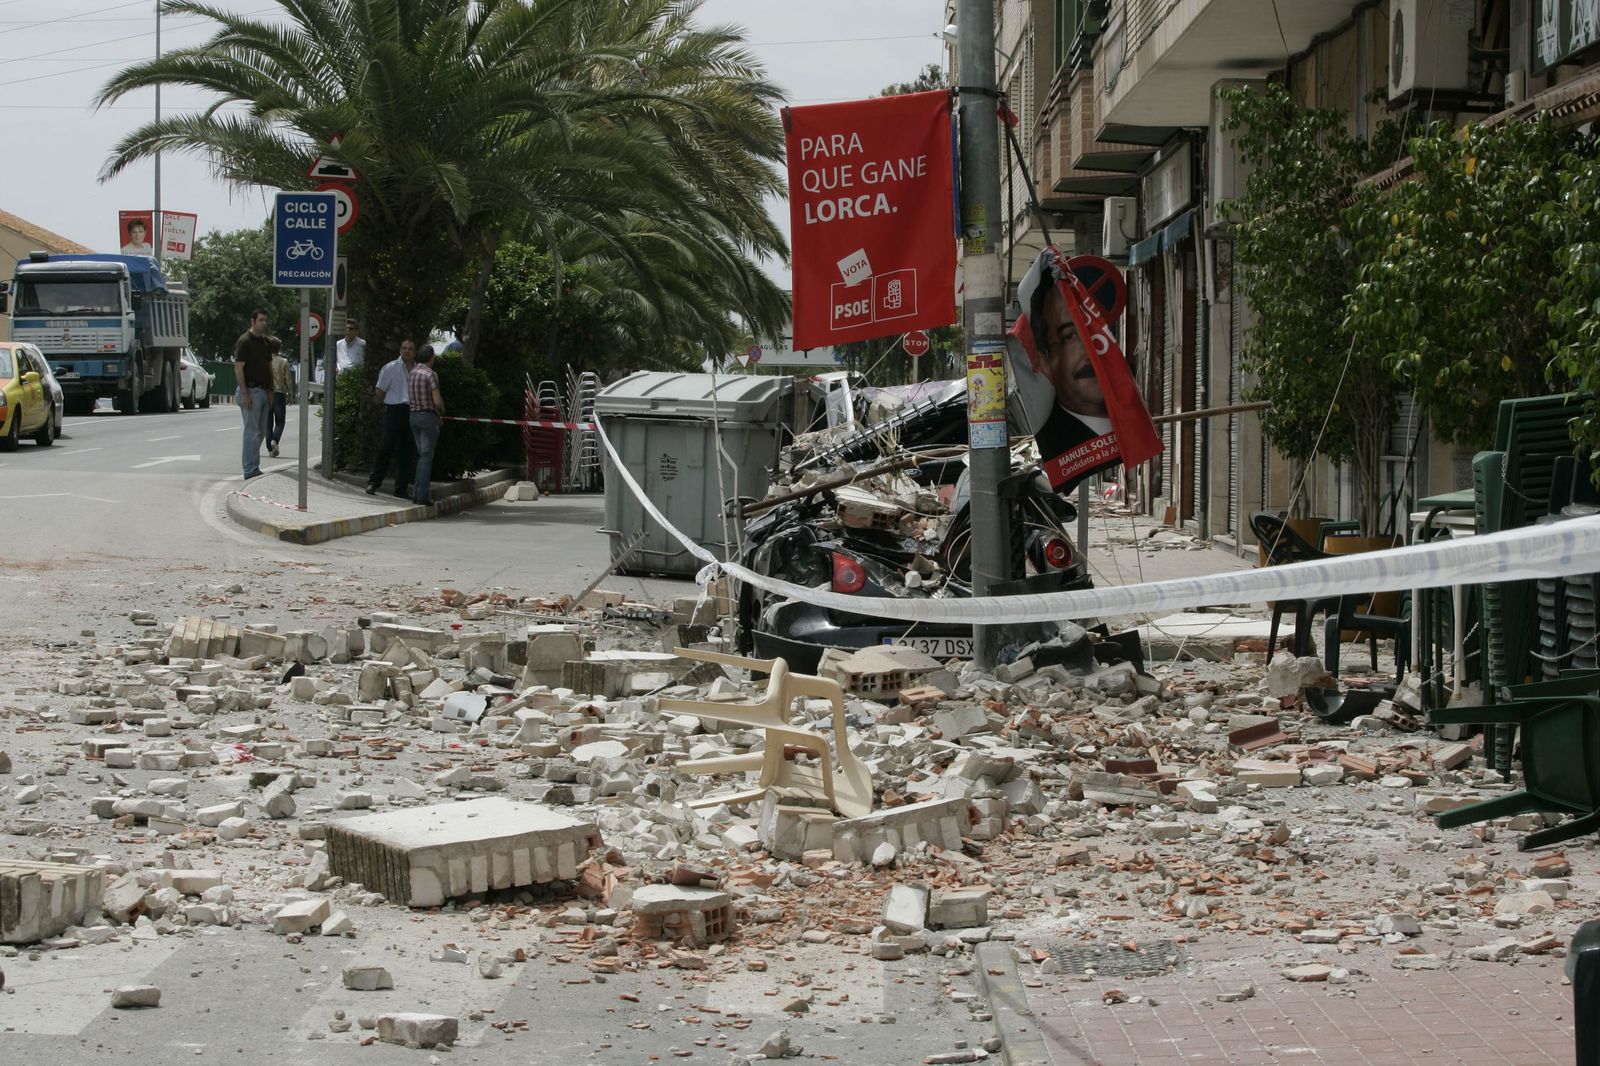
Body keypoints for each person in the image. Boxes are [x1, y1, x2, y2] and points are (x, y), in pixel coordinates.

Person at [1029, 271, 1113, 461]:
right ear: (1045, 364)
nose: (1091, 351)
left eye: (1094, 329)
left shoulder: (1133, 420)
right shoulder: (1058, 441)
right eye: (1069, 336)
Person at [366, 339, 417, 497]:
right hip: (394, 410)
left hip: (411, 411)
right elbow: (380, 391)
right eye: (404, 348)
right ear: (400, 350)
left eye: (410, 349)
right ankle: (374, 483)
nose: (407, 351)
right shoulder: (390, 368)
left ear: (414, 352)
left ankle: (401, 489)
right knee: (386, 447)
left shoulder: (417, 370)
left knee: (406, 452)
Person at [232, 309, 275, 478]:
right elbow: (238, 367)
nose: (264, 323)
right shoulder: (245, 341)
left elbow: (269, 367)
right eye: (261, 320)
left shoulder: (265, 342)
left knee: (262, 431)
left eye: (266, 320)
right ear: (253, 321)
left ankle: (254, 465)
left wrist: (271, 389)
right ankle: (249, 469)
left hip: (264, 391)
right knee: (251, 431)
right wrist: (245, 394)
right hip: (250, 390)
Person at [407, 344, 445, 505]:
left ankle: (416, 492)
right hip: (427, 417)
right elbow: (436, 401)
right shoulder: (430, 375)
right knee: (426, 457)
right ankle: (422, 495)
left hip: (413, 416)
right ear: (431, 358)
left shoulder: (412, 373)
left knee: (421, 455)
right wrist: (441, 411)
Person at [266, 337, 290, 457]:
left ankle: (270, 449)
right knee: (280, 421)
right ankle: (274, 440)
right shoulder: (283, 361)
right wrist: (290, 393)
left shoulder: (264, 360)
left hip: (266, 393)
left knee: (268, 422)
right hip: (279, 394)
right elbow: (288, 380)